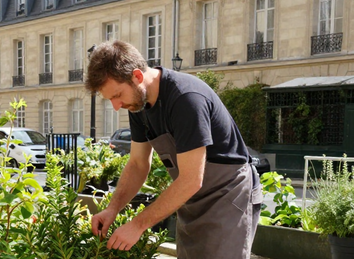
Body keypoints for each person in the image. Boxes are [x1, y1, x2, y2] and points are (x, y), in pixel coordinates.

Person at [85, 40, 262, 259]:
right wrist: (112, 209)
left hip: (228, 196)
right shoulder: (138, 105)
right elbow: (138, 164)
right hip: (191, 200)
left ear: (137, 77)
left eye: (117, 95)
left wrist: (137, 225)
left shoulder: (186, 99)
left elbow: (191, 180)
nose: (116, 106)